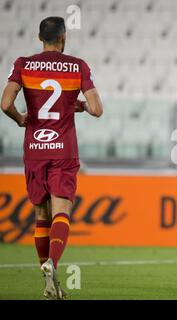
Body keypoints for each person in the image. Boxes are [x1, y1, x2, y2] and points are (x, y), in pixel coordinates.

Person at [0, 16, 103, 300]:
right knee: (62, 212)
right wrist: (77, 104)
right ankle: (53, 264)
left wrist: (21, 118)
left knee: (40, 215)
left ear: (39, 37)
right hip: (63, 149)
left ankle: (48, 280)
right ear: (63, 38)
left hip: (34, 147)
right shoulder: (77, 66)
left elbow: (5, 103)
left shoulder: (23, 64)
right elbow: (96, 109)